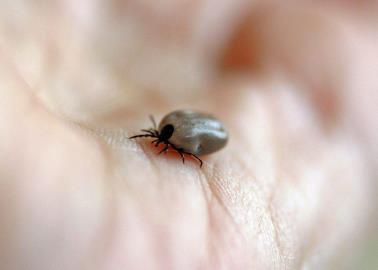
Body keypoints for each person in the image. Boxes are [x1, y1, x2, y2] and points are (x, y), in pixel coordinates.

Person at [0, 1, 377, 269]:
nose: (155, 142)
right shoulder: (171, 133)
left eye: (158, 139)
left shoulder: (174, 132)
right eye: (158, 138)